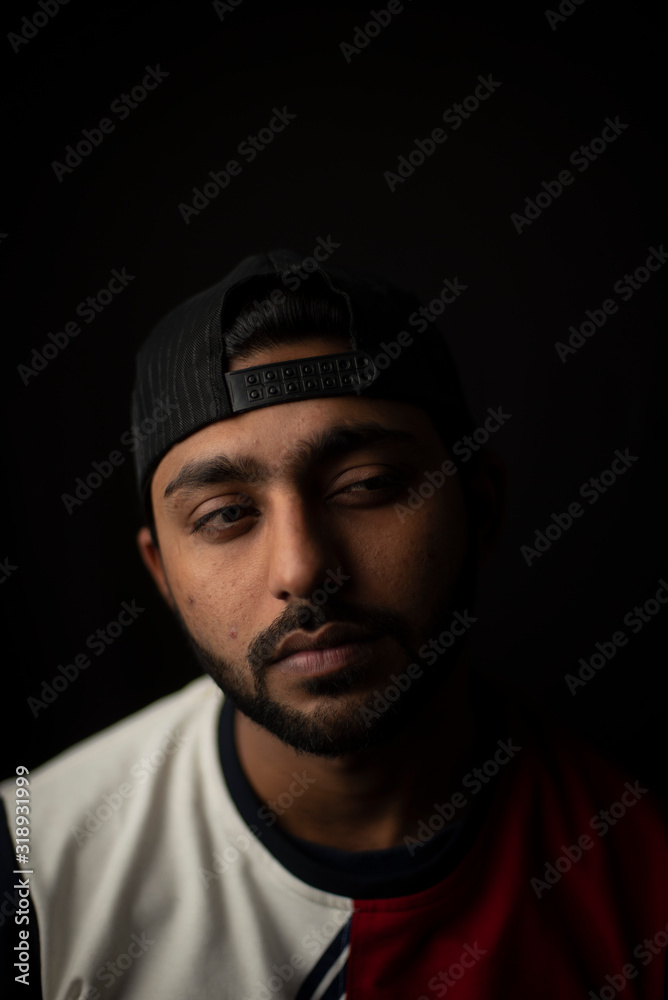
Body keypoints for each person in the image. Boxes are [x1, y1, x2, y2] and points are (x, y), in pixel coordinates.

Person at [2, 249, 667, 999]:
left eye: (367, 486)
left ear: (479, 509)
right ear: (162, 574)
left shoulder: (644, 870)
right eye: (224, 515)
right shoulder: (33, 864)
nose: (302, 569)